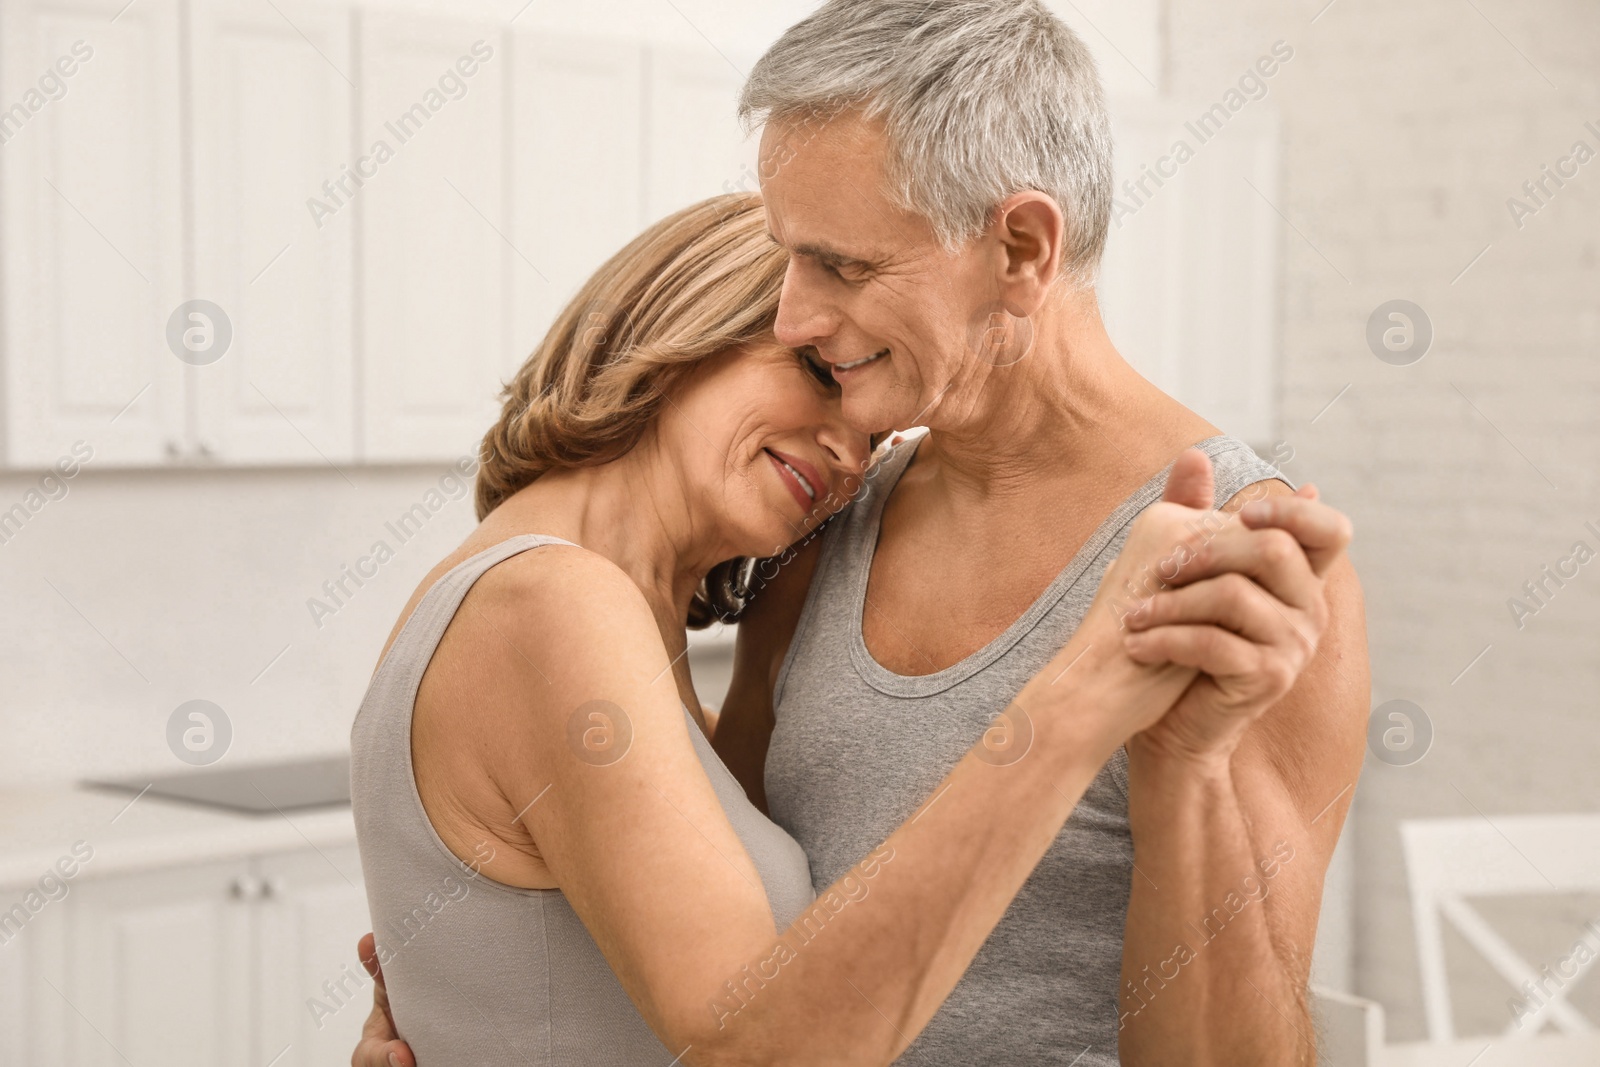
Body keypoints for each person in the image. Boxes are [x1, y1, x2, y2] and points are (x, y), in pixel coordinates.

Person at [348, 191, 1350, 1066]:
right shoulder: (554, 606)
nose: (848, 457)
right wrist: (1087, 683)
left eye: (874, 429)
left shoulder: (608, 618)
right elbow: (757, 1038)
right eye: (822, 374)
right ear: (685, 322)